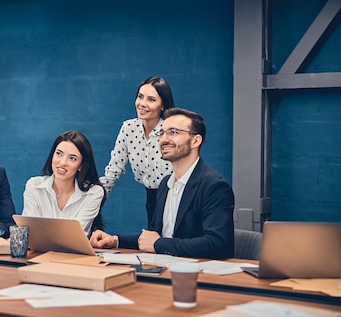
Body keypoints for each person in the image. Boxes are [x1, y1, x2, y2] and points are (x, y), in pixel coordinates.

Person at [91, 108, 235, 259]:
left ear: (195, 141)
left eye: (173, 132)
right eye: (162, 133)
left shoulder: (214, 186)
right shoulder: (165, 184)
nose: (163, 139)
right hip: (163, 268)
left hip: (196, 275)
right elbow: (153, 238)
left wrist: (158, 244)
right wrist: (115, 241)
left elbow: (218, 244)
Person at [101, 76, 175, 226]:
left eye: (151, 100)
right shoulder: (129, 128)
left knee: (169, 244)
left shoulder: (171, 131)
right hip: (151, 198)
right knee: (153, 241)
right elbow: (113, 170)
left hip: (176, 197)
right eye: (140, 97)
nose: (142, 104)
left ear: (162, 105)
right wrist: (93, 201)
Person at [22, 131, 105, 236]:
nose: (62, 163)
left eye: (72, 158)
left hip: (72, 253)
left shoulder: (94, 193)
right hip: (38, 252)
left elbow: (74, 236)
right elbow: (30, 232)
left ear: (81, 166)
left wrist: (41, 234)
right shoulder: (34, 186)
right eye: (59, 153)